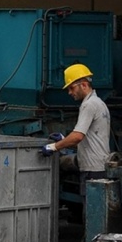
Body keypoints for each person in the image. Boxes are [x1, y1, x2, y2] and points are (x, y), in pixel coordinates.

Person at [40, 63, 110, 200]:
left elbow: (77, 136)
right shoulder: (99, 102)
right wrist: (64, 140)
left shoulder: (88, 105)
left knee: (91, 214)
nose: (70, 92)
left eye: (71, 88)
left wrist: (53, 147)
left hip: (92, 171)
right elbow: (89, 140)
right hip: (99, 167)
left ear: (83, 85)